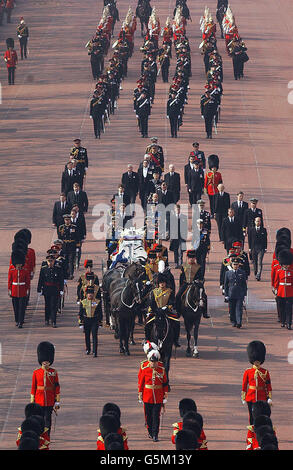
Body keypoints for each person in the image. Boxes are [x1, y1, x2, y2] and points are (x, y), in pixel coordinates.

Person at [138, 349, 168, 442]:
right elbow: (141, 383)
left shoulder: (161, 370)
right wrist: (140, 394)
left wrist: (165, 395)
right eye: (152, 362)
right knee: (148, 416)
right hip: (147, 396)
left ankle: (155, 434)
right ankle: (150, 431)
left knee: (156, 416)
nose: (153, 364)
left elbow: (165, 384)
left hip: (158, 396)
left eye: (155, 362)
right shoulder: (145, 369)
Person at [30, 342, 60, 437]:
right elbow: (33, 387)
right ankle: (40, 434)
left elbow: (57, 386)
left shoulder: (53, 372)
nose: (45, 362)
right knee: (39, 418)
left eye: (47, 361)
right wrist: (32, 400)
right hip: (39, 399)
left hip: (50, 400)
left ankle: (47, 436)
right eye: (44, 361)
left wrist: (57, 401)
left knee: (48, 419)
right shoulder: (36, 372)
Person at [241, 341, 272, 425]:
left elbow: (268, 385)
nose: (257, 362)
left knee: (263, 416)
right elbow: (244, 385)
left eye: (258, 361)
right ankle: (252, 431)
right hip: (251, 397)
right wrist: (243, 397)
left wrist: (269, 397)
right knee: (251, 416)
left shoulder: (265, 372)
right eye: (255, 361)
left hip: (262, 396)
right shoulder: (248, 372)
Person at [37, 255, 64, 328]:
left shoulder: (58, 269)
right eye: (49, 261)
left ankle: (53, 321)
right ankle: (46, 319)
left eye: (51, 261)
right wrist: (39, 289)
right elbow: (41, 279)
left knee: (54, 305)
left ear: (54, 261)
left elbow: (61, 280)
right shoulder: (44, 269)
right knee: (47, 305)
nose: (50, 263)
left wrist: (61, 289)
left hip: (55, 289)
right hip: (47, 289)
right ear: (47, 261)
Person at [8, 248, 30, 328]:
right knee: (16, 307)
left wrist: (27, 290)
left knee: (22, 307)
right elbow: (10, 281)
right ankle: (17, 320)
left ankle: (21, 321)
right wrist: (9, 289)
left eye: (20, 264)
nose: (19, 266)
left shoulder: (25, 271)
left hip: (22, 291)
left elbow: (27, 282)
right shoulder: (12, 270)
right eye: (17, 264)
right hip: (14, 290)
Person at [224, 257, 247, 328]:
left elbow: (244, 284)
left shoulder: (242, 272)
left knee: (239, 309)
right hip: (231, 293)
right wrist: (226, 294)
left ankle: (239, 322)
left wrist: (244, 294)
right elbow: (226, 284)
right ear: (232, 265)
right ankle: (233, 321)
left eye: (237, 264)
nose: (235, 266)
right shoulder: (228, 273)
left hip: (239, 294)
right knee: (232, 309)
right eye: (234, 264)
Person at [79, 286, 102, 357]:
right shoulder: (83, 302)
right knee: (87, 336)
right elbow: (80, 313)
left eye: (91, 293)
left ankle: (95, 351)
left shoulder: (97, 302)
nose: (90, 295)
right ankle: (88, 349)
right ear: (86, 294)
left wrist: (100, 322)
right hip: (86, 320)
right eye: (89, 293)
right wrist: (80, 322)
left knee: (95, 336)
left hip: (94, 321)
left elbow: (100, 312)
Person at [273, 249, 293, 329]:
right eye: (285, 264)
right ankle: (283, 321)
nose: (286, 266)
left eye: (287, 264)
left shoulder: (291, 272)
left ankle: (289, 323)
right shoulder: (279, 271)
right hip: (281, 292)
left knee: (289, 309)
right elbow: (276, 282)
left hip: (290, 292)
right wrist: (275, 289)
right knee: (282, 308)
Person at [57, 214, 78, 279]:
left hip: (72, 246)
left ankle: (71, 274)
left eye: (68, 220)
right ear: (64, 220)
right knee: (64, 260)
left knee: (71, 260)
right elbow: (60, 238)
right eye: (66, 220)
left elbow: (76, 237)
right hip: (64, 246)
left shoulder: (74, 227)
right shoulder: (61, 227)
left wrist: (77, 246)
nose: (67, 221)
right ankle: (66, 273)